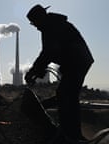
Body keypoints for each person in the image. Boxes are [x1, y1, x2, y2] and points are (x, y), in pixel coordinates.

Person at [24, 4, 94, 144]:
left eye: (34, 23)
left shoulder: (50, 26)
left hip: (77, 62)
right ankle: (72, 133)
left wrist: (34, 71)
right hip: (77, 61)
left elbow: (49, 51)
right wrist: (38, 69)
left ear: (39, 18)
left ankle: (69, 135)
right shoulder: (53, 24)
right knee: (68, 95)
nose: (35, 26)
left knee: (65, 94)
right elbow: (51, 52)